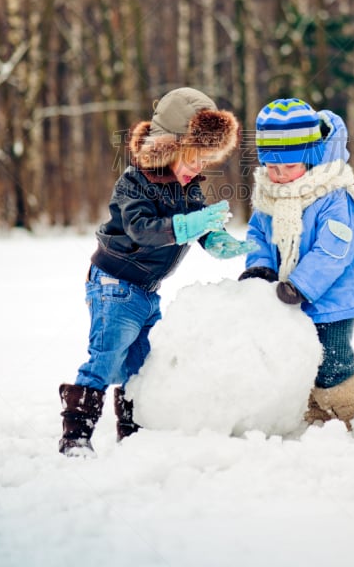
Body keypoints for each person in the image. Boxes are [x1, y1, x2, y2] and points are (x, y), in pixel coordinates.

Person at [59, 87, 255, 456]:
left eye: (205, 160)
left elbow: (200, 227)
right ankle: (76, 435)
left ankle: (132, 434)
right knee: (106, 356)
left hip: (147, 292)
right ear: (168, 147)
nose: (199, 168)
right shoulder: (134, 183)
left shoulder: (188, 186)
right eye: (193, 157)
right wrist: (186, 224)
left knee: (141, 366)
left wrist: (216, 240)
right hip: (114, 286)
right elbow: (142, 230)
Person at [239, 98, 354, 429]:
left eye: (289, 167)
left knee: (333, 360)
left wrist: (302, 285)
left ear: (311, 159)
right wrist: (261, 268)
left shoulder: (333, 196)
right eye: (272, 168)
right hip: (291, 297)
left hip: (333, 300)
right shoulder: (269, 198)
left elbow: (333, 250)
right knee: (304, 358)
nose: (280, 175)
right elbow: (258, 234)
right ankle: (316, 411)